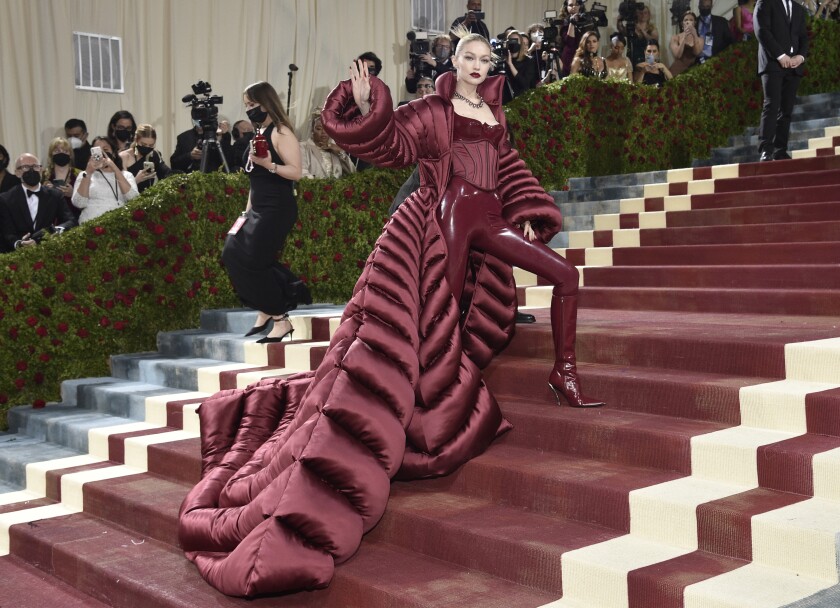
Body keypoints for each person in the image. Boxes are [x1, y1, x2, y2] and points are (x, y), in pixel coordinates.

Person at [179, 33, 604, 597]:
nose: (477, 67)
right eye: (469, 59)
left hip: (489, 216)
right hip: (444, 217)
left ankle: (564, 372)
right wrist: (362, 101)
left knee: (566, 275)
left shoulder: (495, 109)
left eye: (485, 60)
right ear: (454, 63)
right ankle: (418, 405)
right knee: (434, 317)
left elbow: (508, 164)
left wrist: (526, 209)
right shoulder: (434, 108)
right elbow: (390, 144)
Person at [221, 81, 310, 344]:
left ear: (266, 103)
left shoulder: (281, 132)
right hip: (258, 208)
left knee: (254, 260)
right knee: (232, 252)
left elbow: (295, 172)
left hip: (277, 208)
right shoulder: (258, 133)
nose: (249, 110)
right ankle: (267, 309)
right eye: (246, 105)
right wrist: (245, 215)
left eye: (253, 105)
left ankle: (280, 319)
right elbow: (254, 181)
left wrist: (269, 165)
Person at [755, 0, 808, 161]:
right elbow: (762, 31)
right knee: (771, 105)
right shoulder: (765, 3)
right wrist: (780, 55)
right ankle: (766, 149)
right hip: (772, 63)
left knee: (786, 110)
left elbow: (803, 36)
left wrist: (801, 56)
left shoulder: (798, 8)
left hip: (793, 66)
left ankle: (780, 149)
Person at [0, 153, 76, 252]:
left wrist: (54, 230)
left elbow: (70, 221)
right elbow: (7, 232)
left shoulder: (55, 195)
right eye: (26, 167)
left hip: (50, 250)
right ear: (17, 173)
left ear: (41, 170)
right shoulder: (5, 199)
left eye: (35, 166)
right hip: (19, 256)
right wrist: (19, 244)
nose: (32, 170)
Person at [71, 136, 139, 223]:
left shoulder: (127, 175)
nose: (102, 154)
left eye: (105, 149)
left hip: (118, 224)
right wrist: (88, 172)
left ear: (114, 153)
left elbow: (133, 199)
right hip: (90, 224)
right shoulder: (84, 174)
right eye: (97, 151)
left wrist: (114, 167)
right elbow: (79, 203)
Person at [299, 109, 356, 179]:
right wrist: (321, 186)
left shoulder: (335, 149)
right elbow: (302, 173)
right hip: (314, 189)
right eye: (319, 128)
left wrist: (340, 151)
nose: (324, 132)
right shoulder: (303, 147)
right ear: (312, 130)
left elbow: (352, 173)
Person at [119, 124, 172, 193]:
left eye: (151, 145)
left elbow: (166, 173)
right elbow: (121, 188)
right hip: (129, 201)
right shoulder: (124, 156)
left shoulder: (154, 155)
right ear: (136, 140)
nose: (147, 147)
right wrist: (136, 180)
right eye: (144, 144)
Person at [41, 137, 80, 218]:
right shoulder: (44, 174)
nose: (61, 154)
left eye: (65, 151)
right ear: (51, 154)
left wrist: (73, 194)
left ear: (70, 155)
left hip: (74, 217)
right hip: (51, 218)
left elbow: (85, 199)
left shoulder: (78, 174)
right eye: (57, 151)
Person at [503, 31, 539, 103]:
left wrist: (510, 65)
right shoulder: (503, 60)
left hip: (521, 101)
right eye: (511, 41)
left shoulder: (529, 61)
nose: (513, 44)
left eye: (516, 41)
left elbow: (524, 84)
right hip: (505, 100)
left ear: (521, 44)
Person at [696, 0, 735, 64]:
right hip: (697, 61)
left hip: (717, 60)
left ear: (711, 6)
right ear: (699, 6)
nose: (705, 9)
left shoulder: (721, 22)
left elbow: (729, 40)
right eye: (703, 7)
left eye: (707, 6)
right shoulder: (693, 23)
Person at [669, 11, 704, 77]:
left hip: (692, 72)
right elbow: (677, 55)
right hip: (677, 71)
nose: (688, 22)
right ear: (682, 23)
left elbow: (696, 52)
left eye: (691, 20)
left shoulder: (700, 39)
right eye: (686, 20)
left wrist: (694, 35)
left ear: (694, 23)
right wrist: (684, 36)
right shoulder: (675, 37)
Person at [559, 0, 587, 76]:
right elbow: (569, 41)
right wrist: (572, 22)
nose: (574, 7)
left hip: (583, 56)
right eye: (571, 5)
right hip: (569, 58)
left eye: (577, 4)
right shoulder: (564, 23)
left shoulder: (585, 20)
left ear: (580, 6)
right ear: (566, 7)